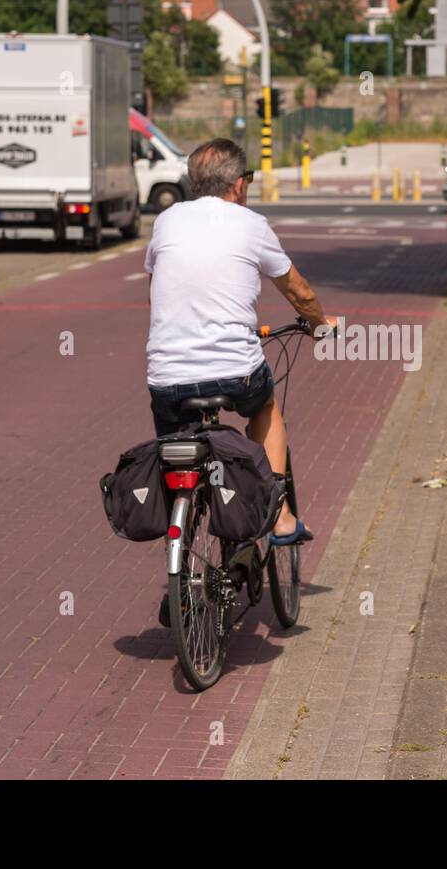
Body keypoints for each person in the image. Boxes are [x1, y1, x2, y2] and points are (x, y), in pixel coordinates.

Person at [145, 139, 337, 622]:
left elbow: (163, 281)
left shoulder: (167, 221)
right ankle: (279, 513)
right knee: (265, 406)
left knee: (176, 452)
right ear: (238, 184)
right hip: (234, 370)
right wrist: (317, 323)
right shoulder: (251, 225)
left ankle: (182, 544)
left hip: (167, 376)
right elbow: (298, 289)